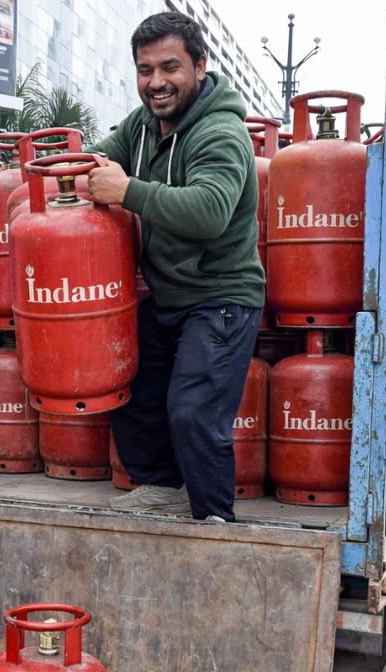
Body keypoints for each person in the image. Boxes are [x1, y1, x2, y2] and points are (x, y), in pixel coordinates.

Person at [85, 12, 263, 522]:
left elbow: (209, 211)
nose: (156, 82)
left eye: (170, 67)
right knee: (120, 379)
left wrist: (128, 192)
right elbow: (99, 159)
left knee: (193, 413)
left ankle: (215, 521)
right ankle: (162, 486)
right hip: (167, 297)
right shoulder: (144, 124)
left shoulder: (220, 132)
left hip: (222, 297)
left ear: (200, 66)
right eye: (145, 70)